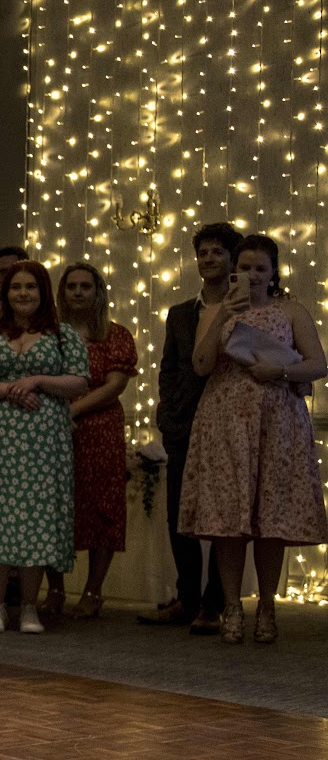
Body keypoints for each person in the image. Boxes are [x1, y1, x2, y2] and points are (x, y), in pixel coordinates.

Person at [178, 235, 327, 644]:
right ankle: (230, 606)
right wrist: (222, 315)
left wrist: (279, 372)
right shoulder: (216, 310)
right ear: (233, 271)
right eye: (245, 268)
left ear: (274, 272)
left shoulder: (291, 310)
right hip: (226, 420)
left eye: (261, 268)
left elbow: (318, 364)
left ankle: (266, 605)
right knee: (229, 519)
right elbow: (201, 365)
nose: (253, 275)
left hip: (277, 422)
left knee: (271, 518)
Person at [0, 261, 89, 635]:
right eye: (16, 287)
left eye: (30, 286)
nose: (22, 293)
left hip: (43, 446)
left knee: (38, 520)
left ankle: (30, 607)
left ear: (43, 292)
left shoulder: (62, 335)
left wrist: (37, 380)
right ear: (6, 293)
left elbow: (79, 382)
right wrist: (10, 390)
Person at [140, 222, 240, 632]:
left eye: (218, 252)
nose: (209, 259)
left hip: (229, 423)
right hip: (183, 424)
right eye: (203, 253)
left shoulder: (246, 309)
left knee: (222, 516)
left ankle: (215, 604)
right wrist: (167, 411)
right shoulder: (181, 313)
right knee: (179, 514)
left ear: (233, 259)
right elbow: (169, 368)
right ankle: (187, 598)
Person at [43, 262, 137, 618]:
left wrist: (73, 410)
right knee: (53, 505)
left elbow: (115, 386)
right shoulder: (49, 334)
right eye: (72, 286)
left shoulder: (115, 335)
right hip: (54, 428)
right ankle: (54, 589)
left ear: (98, 293)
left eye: (86, 286)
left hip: (101, 429)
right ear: (62, 292)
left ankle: (93, 592)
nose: (78, 292)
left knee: (101, 506)